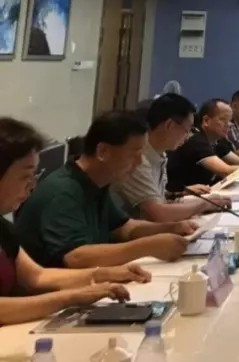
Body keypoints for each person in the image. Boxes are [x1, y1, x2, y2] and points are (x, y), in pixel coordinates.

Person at [0, 118, 153, 325]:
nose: (32, 184)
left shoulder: (3, 228)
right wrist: (69, 297)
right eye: (25, 176)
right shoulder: (62, 190)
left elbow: (37, 276)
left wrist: (104, 275)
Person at [16, 112, 197, 268]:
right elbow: (76, 257)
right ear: (103, 151)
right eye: (134, 153)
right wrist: (148, 246)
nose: (139, 162)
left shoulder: (96, 182)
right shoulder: (62, 191)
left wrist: (171, 228)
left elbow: (123, 227)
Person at [113, 92, 228, 221]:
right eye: (187, 129)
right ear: (169, 125)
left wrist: (186, 195)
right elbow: (159, 214)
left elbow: (161, 200)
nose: (188, 136)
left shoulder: (160, 154)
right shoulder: (138, 160)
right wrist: (204, 204)